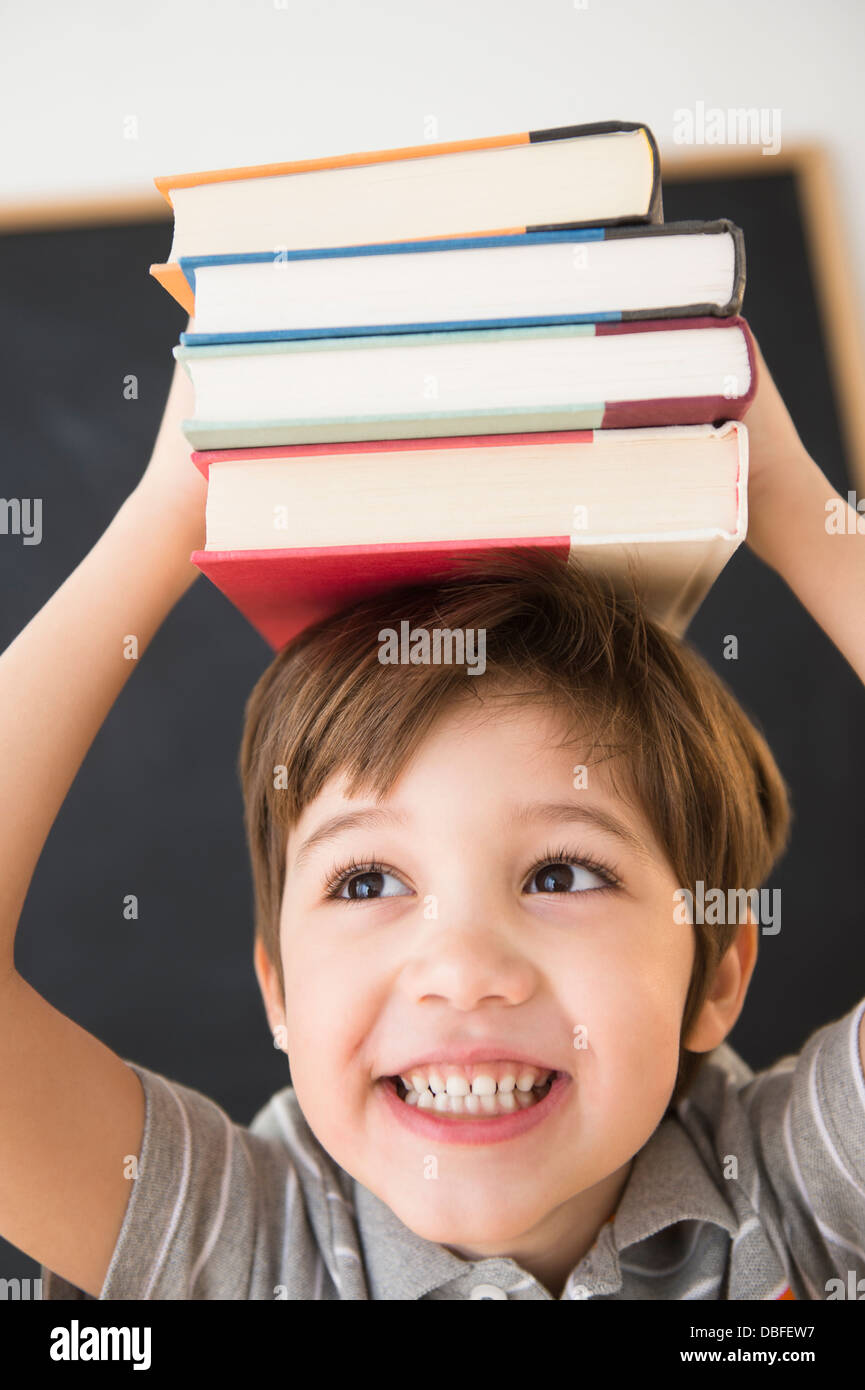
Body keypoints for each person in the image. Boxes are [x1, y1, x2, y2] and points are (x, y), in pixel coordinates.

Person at [0, 340, 862, 1300]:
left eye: (562, 874)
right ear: (278, 989)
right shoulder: (243, 1248)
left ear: (719, 971)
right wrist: (168, 517)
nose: (462, 973)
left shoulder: (793, 1202)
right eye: (366, 881)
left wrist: (785, 495)